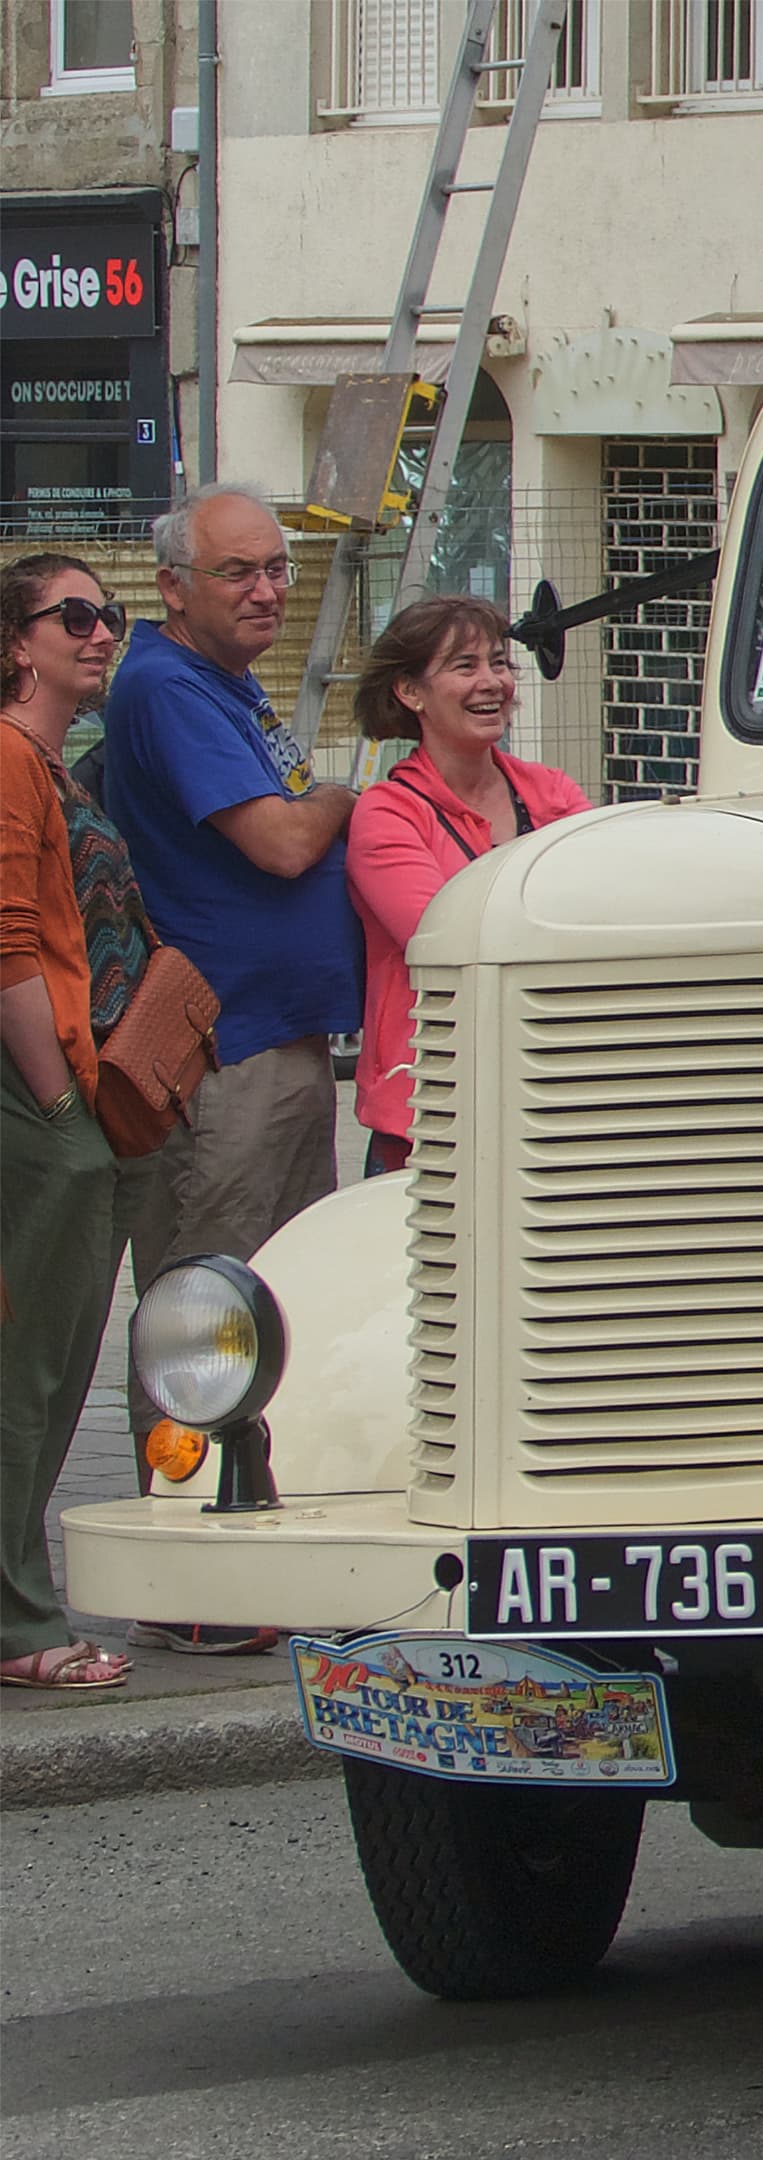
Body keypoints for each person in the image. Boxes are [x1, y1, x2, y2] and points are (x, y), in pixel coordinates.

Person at [99, 484, 354, 1655]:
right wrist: (356, 792)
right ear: (174, 588)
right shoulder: (165, 683)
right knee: (206, 1311)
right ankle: (185, 1569)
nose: (265, 590)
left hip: (284, 1040)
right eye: (239, 572)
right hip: (229, 1050)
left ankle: (251, 1551)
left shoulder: (231, 685)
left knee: (276, 1308)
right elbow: (285, 835)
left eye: (274, 570)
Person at [0, 555, 132, 1689]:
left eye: (109, 616)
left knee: (49, 1367)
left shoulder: (51, 764)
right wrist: (55, 1106)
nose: (99, 634)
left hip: (69, 1093)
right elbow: (8, 944)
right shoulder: (6, 754)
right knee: (26, 1369)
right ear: (15, 644)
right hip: (35, 1096)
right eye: (73, 616)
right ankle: (18, 1624)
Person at [346, 596, 590, 1176]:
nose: (493, 682)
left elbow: (601, 919)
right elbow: (451, 942)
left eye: (500, 662)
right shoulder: (388, 815)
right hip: (429, 1117)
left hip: (549, 1099)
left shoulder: (551, 790)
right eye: (465, 666)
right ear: (410, 693)